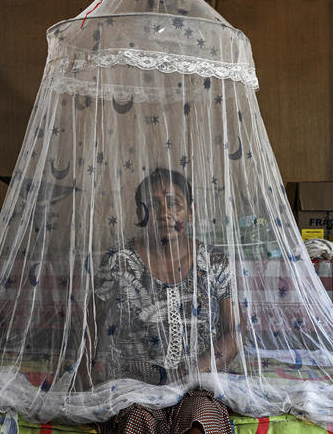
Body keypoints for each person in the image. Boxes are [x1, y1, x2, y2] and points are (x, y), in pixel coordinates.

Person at [93, 168, 237, 434]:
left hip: (199, 381)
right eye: (152, 206)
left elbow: (234, 334)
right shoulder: (119, 260)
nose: (163, 214)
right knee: (134, 421)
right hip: (133, 385)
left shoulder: (214, 261)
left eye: (174, 204)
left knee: (202, 418)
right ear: (140, 214)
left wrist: (190, 372)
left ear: (190, 212)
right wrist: (93, 373)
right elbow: (92, 324)